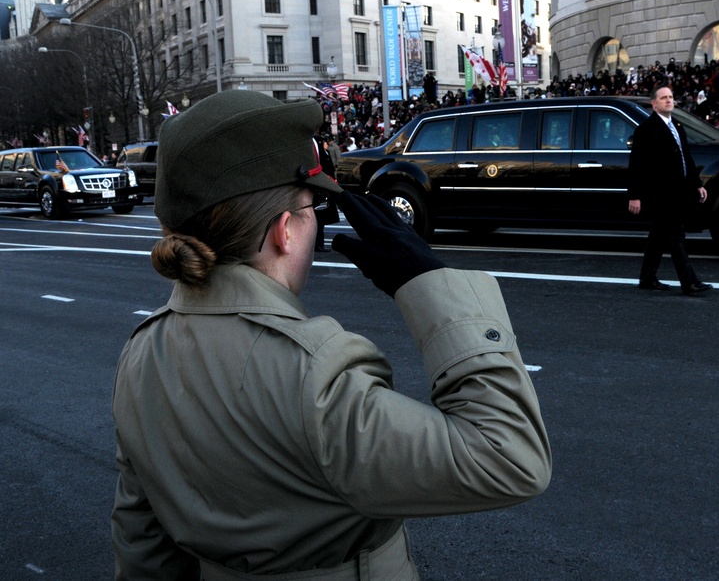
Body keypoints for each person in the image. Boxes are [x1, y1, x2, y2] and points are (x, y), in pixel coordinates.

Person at [111, 90, 550, 580]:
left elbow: (143, 544)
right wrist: (428, 284)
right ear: (284, 230)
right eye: (312, 209)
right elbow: (510, 457)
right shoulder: (311, 371)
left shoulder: (141, 353)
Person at [627, 85, 713, 296]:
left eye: (671, 97)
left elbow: (686, 158)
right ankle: (689, 282)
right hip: (660, 194)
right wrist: (634, 195)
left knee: (658, 236)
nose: (669, 101)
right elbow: (637, 164)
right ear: (654, 104)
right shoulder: (646, 129)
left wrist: (697, 184)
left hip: (678, 192)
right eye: (663, 98)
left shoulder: (677, 126)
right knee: (675, 237)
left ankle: (647, 278)